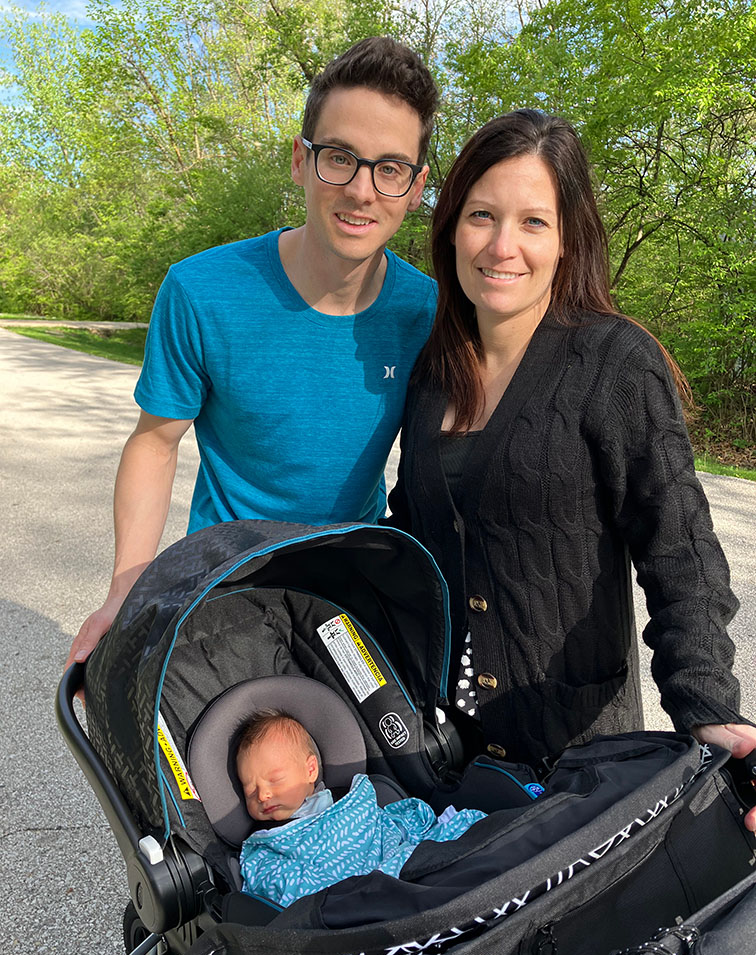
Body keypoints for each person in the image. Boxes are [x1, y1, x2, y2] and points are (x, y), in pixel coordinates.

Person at [386, 110, 756, 829]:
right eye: (482, 215)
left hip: (578, 764)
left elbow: (681, 555)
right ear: (452, 228)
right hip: (445, 755)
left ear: (567, 241)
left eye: (533, 222)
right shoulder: (433, 372)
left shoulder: (614, 363)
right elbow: (415, 534)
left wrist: (708, 707)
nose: (502, 245)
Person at [67, 37, 439, 667]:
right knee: (235, 730)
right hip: (225, 581)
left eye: (390, 168)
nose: (362, 190)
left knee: (368, 732)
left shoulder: (426, 312)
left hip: (351, 593)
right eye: (339, 158)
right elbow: (155, 444)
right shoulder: (201, 291)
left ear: (415, 187)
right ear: (300, 160)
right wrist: (125, 592)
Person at [235, 710, 485, 907]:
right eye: (250, 791)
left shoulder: (350, 802)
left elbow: (383, 826)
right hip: (350, 896)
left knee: (466, 833)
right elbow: (282, 885)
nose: (263, 795)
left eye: (275, 780)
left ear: (310, 770)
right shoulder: (267, 844)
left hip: (390, 862)